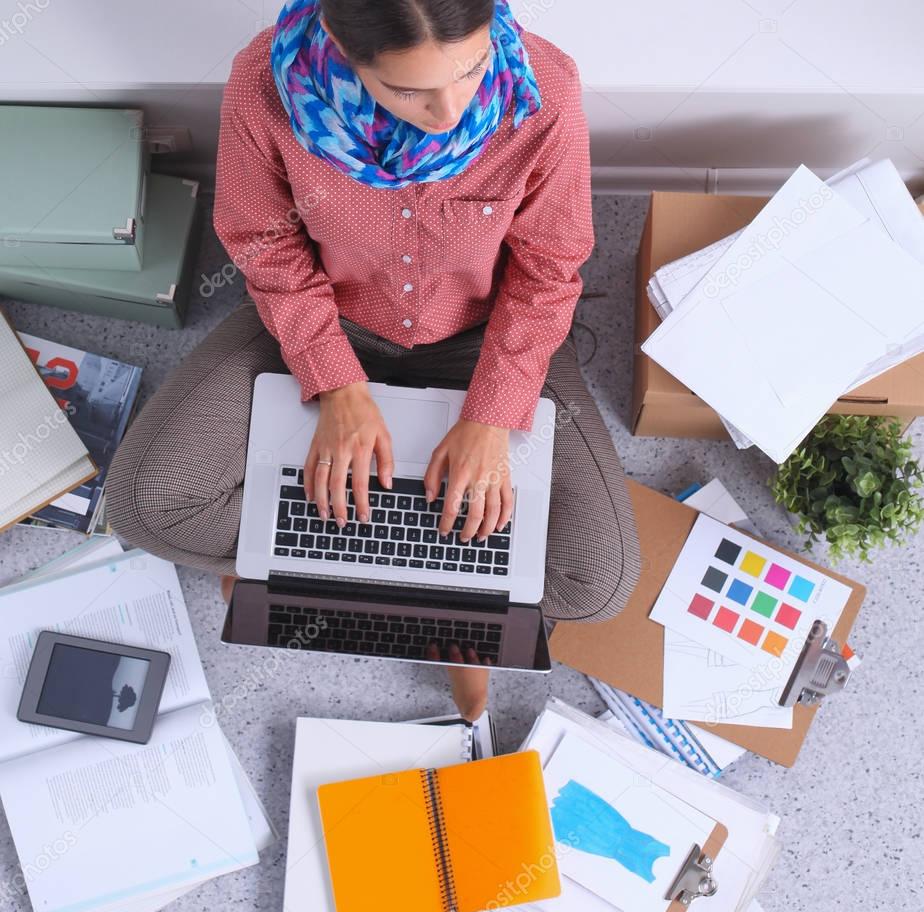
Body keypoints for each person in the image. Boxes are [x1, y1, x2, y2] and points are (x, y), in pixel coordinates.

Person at [107, 0, 641, 720]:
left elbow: (549, 268)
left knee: (600, 581)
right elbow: (263, 243)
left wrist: (490, 418)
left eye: (472, 69)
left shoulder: (546, 86)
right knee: (146, 504)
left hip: (483, 336)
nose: (450, 111)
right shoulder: (264, 84)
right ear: (342, 48)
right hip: (328, 318)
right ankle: (418, 599)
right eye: (409, 91)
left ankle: (323, 579)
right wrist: (335, 383)